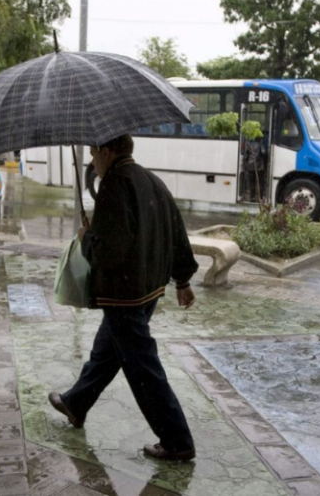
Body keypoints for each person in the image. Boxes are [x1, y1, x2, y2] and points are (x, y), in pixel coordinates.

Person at [48, 133, 199, 461]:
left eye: (93, 153)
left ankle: (176, 439)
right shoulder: (149, 178)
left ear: (106, 150)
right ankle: (76, 403)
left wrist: (87, 237)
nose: (91, 161)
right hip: (149, 289)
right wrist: (182, 279)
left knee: (142, 365)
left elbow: (109, 254)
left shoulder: (115, 184)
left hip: (124, 293)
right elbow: (177, 230)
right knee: (108, 350)